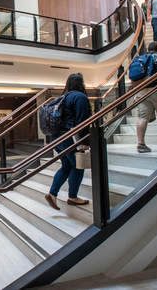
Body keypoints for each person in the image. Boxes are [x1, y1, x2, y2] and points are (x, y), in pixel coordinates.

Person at [44, 73, 92, 210]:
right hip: (71, 138)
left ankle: (52, 194)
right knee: (77, 166)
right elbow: (82, 121)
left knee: (66, 166)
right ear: (81, 83)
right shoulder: (80, 97)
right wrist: (84, 141)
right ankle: (72, 197)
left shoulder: (62, 97)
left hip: (57, 138)